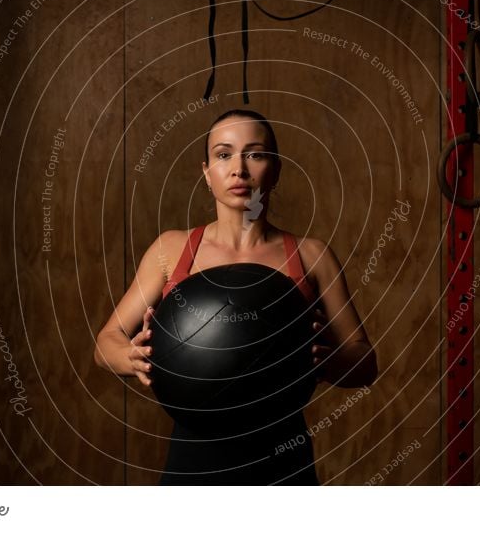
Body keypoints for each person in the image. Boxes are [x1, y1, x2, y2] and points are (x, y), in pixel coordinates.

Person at [94, 108, 377, 485]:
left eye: (255, 154)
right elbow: (105, 343)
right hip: (194, 458)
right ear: (207, 173)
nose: (239, 169)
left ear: (274, 170)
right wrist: (134, 357)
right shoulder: (172, 250)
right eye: (224, 154)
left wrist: (327, 360)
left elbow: (364, 360)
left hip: (282, 457)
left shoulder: (311, 256)